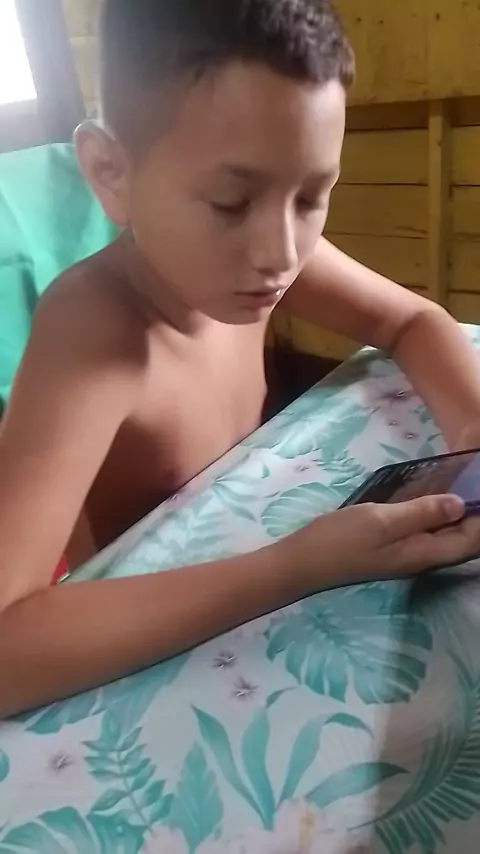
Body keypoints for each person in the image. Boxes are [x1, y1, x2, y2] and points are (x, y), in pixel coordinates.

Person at [1, 0, 480, 719]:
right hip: (132, 629)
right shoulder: (92, 331)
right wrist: (296, 566)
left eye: (312, 197)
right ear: (111, 173)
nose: (282, 255)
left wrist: (473, 433)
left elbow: (412, 319)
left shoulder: (259, 253)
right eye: (231, 202)